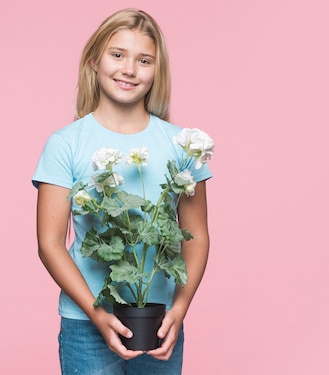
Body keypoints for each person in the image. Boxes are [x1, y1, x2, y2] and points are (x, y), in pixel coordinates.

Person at [32, 8, 212, 374]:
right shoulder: (65, 144)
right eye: (117, 55)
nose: (129, 69)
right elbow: (50, 243)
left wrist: (180, 309)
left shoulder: (182, 145)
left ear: (156, 71)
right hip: (87, 323)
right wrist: (98, 314)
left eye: (144, 60)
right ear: (95, 60)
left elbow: (197, 236)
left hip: (159, 322)